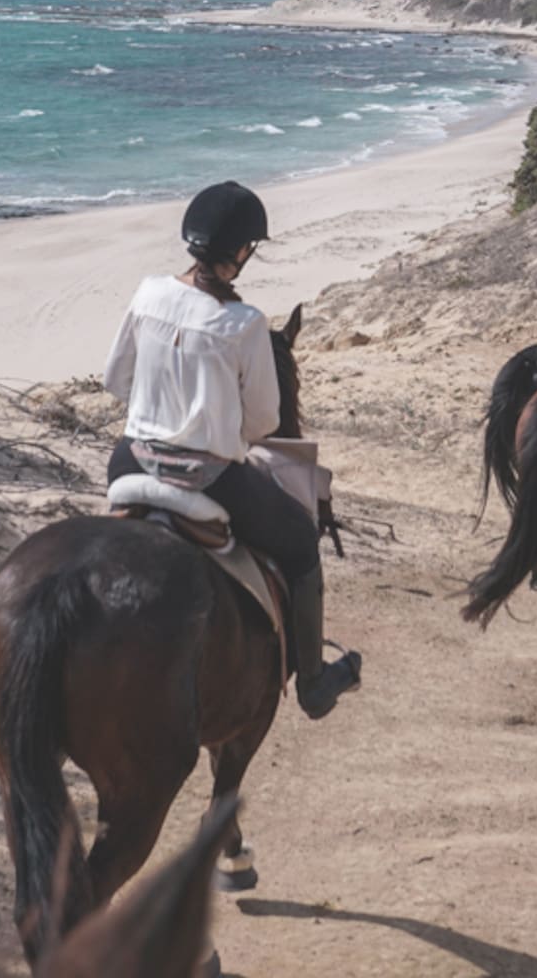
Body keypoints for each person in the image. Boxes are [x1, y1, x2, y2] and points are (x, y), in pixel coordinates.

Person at [103, 180, 362, 719]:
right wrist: (217, 427)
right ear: (241, 253)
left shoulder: (147, 293)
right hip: (208, 476)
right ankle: (313, 685)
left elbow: (115, 379)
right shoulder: (244, 325)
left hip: (129, 459)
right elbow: (265, 422)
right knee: (299, 546)